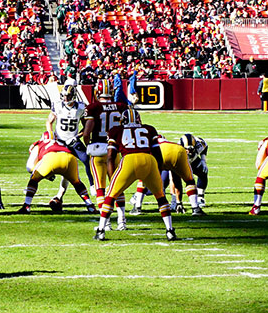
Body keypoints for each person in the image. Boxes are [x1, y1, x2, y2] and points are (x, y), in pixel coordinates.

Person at [95, 108, 176, 241]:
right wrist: (158, 171)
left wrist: (112, 177)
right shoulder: (149, 129)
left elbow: (110, 157)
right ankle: (170, 230)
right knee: (160, 196)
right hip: (148, 160)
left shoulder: (116, 130)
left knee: (111, 194)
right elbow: (158, 154)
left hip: (129, 160)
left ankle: (101, 230)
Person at [83, 79, 128, 229]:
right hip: (114, 150)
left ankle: (106, 222)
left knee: (100, 187)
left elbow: (87, 132)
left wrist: (87, 142)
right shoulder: (121, 106)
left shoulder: (93, 107)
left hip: (98, 149)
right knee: (117, 185)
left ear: (98, 92)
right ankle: (122, 220)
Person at [129, 134, 207, 216]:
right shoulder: (172, 144)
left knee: (144, 179)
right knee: (189, 181)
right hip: (178, 152)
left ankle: (137, 207)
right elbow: (176, 181)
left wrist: (203, 159)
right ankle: (195, 208)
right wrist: (178, 202)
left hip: (160, 153)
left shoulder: (147, 144)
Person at [17, 132, 94, 214]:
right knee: (77, 183)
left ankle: (26, 205)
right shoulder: (62, 141)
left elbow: (29, 167)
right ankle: (90, 206)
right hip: (70, 158)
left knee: (34, 180)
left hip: (51, 157)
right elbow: (65, 178)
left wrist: (47, 176)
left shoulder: (40, 144)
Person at [45, 84, 93, 205]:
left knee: (87, 160)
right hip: (59, 142)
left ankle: (93, 186)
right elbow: (49, 121)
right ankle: (40, 181)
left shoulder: (80, 108)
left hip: (73, 141)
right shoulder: (57, 105)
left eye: (68, 96)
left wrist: (77, 137)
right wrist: (51, 135)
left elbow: (86, 127)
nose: (66, 98)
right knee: (45, 160)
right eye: (64, 96)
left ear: (74, 95)